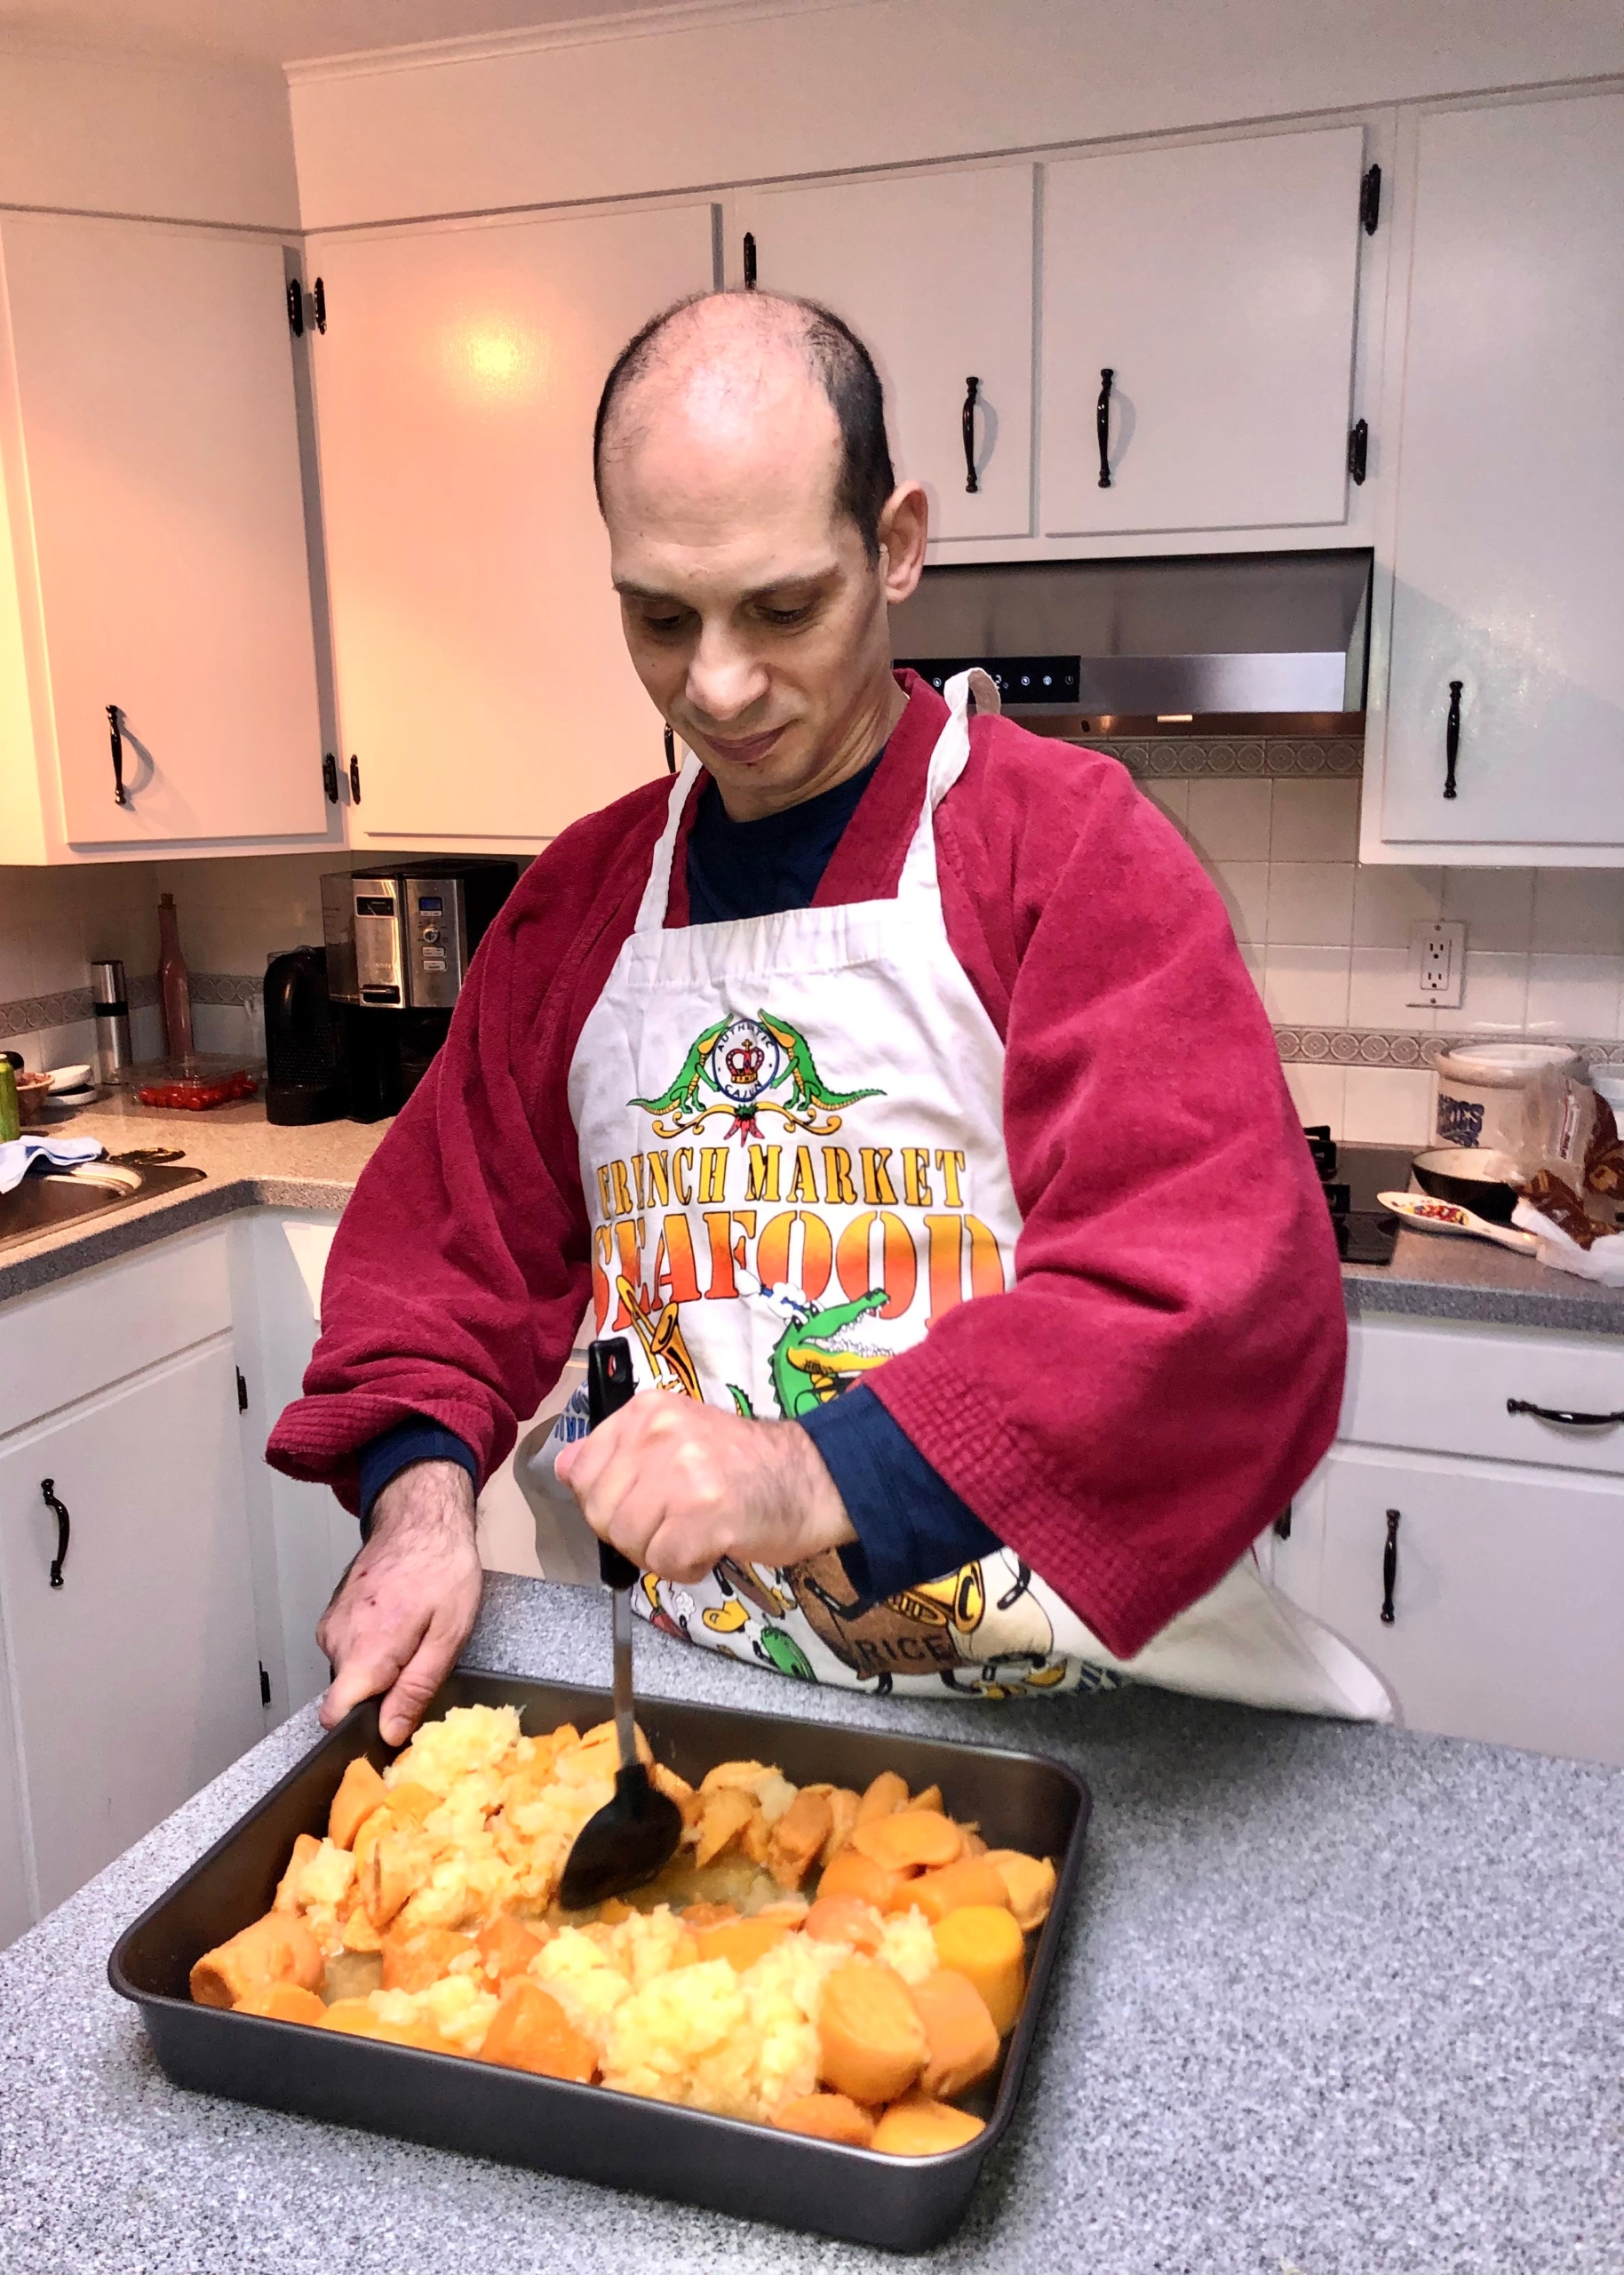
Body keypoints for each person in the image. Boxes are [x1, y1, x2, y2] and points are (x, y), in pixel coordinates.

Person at [268, 289, 1380, 1746]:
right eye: (662, 617)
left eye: (785, 609)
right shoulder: (582, 903)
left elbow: (1211, 1303)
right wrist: (418, 1511)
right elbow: (439, 1268)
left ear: (898, 543)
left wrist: (808, 1475)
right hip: (691, 1695)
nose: (717, 686)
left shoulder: (1065, 857)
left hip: (1080, 1716)